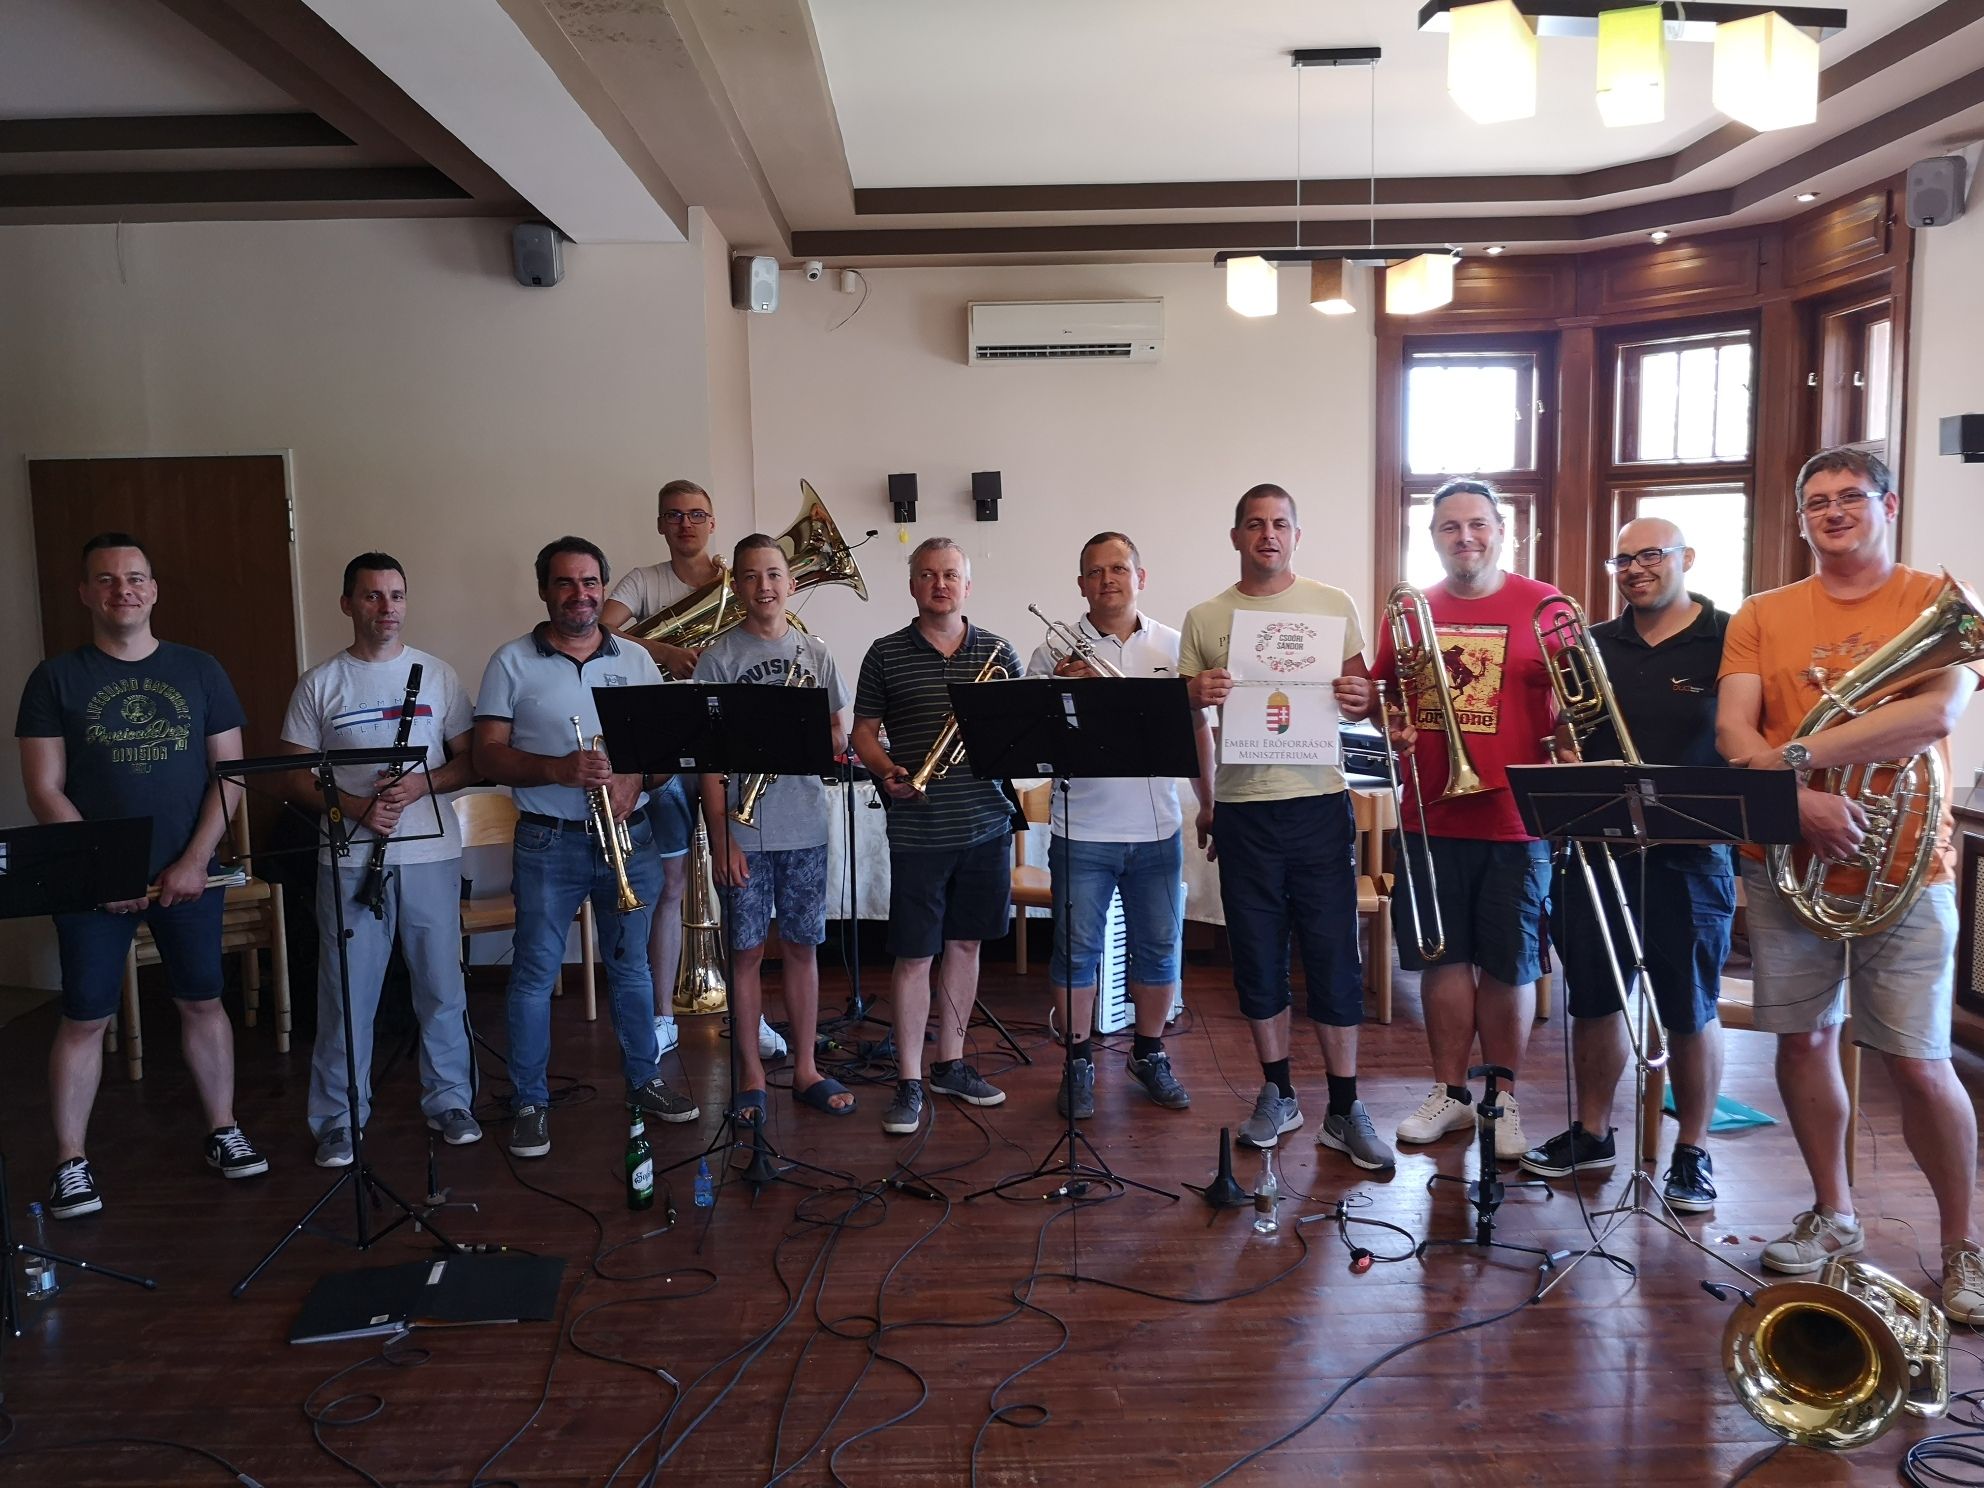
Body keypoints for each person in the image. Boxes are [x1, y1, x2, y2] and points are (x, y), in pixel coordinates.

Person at [1717, 447, 1982, 1322]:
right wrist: (1798, 806)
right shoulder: (1762, 612)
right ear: (1801, 518)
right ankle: (1834, 1213)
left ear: (1888, 505)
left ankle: (1963, 1246)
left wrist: (1794, 758)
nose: (1834, 512)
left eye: (1852, 497)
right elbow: (1733, 732)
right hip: (1787, 861)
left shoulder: (1934, 603)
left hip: (1910, 864)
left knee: (1921, 1061)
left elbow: (1936, 713)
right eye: (1817, 501)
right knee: (1803, 1042)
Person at [16, 532, 267, 1219]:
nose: (121, 589)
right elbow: (44, 789)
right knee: (85, 1017)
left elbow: (230, 776)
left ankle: (223, 1130)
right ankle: (71, 1161)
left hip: (188, 873)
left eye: (134, 578)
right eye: (105, 579)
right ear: (84, 593)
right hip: (92, 882)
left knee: (201, 1001)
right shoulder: (54, 679)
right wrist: (106, 871)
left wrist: (194, 861)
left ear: (153, 590)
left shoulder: (200, 670)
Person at [1518, 519, 1734, 1214]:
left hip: (1691, 855)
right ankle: (1592, 1133)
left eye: (1651, 555)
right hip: (1599, 850)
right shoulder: (1591, 646)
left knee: (1690, 1008)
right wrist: (1563, 751)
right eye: (1623, 559)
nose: (1636, 568)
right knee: (1595, 997)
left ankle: (1692, 1151)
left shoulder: (1729, 637)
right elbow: (1569, 735)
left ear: (1686, 558)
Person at [1179, 485, 1393, 1171]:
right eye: (1254, 524)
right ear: (1236, 536)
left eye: (1279, 524)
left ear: (1296, 535)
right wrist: (1192, 699)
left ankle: (1344, 1106)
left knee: (1333, 954)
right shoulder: (1206, 616)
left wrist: (1362, 698)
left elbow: (1363, 702)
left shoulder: (1333, 605)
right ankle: (1278, 1092)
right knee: (1257, 955)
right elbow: (1189, 723)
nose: (1267, 534)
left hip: (1318, 803)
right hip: (1242, 810)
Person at [474, 536, 699, 1159]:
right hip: (549, 838)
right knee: (534, 973)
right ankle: (529, 1102)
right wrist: (556, 770)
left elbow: (665, 755)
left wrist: (636, 776)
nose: (581, 594)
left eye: (591, 582)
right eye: (566, 583)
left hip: (631, 835)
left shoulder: (636, 659)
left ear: (603, 588)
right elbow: (486, 755)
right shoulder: (510, 661)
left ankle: (644, 1081)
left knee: (631, 968)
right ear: (544, 590)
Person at [1372, 479, 1558, 1162]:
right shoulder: (1410, 611)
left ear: (1502, 530)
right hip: (1431, 812)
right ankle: (1450, 1093)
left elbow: (1574, 706)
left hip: (1516, 817)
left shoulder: (1544, 604)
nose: (1465, 537)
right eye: (1450, 527)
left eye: (1477, 524)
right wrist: (1391, 724)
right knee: (1442, 959)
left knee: (1509, 965)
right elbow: (1387, 699)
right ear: (1433, 538)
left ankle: (1501, 1100)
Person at [278, 553, 480, 1168]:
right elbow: (293, 775)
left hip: (430, 854)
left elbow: (471, 761)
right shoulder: (320, 683)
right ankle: (339, 1118)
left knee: (441, 987)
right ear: (348, 604)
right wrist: (355, 808)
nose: (386, 607)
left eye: (396, 595)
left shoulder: (437, 675)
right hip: (347, 860)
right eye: (372, 596)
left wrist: (422, 785)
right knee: (346, 994)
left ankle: (450, 1100)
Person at [1027, 532, 1214, 1119]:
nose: (1107, 579)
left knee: (1159, 949)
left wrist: (1209, 803)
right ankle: (1078, 1060)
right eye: (1095, 571)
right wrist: (1064, 696)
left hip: (1157, 830)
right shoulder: (1052, 652)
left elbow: (1198, 731)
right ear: (1081, 584)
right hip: (1081, 829)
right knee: (1075, 953)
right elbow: (1035, 745)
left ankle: (1149, 1052)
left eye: (1118, 568)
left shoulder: (1174, 646)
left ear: (1140, 577)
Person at [599, 479, 784, 1066]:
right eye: (674, 515)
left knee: (743, 885)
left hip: (734, 750)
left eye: (697, 514)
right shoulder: (643, 581)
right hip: (669, 753)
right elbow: (602, 629)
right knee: (671, 883)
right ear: (661, 523)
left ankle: (749, 1017)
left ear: (713, 521)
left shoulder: (739, 581)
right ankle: (662, 1017)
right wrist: (664, 653)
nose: (686, 524)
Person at [852, 537, 1024, 1135]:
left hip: (984, 824)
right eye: (928, 575)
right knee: (914, 955)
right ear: (913, 586)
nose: (940, 584)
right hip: (919, 827)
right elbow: (863, 732)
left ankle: (950, 1063)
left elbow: (1016, 733)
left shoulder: (999, 651)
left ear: (967, 586)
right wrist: (886, 770)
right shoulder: (885, 652)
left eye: (951, 575)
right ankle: (908, 1080)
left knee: (966, 946)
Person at [693, 534, 856, 1122]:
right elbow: (708, 758)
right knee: (745, 953)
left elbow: (838, 733)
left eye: (774, 574)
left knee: (802, 947)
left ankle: (806, 1067)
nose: (764, 585)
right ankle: (752, 1073)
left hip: (804, 824)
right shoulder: (719, 659)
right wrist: (721, 837)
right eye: (751, 575)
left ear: (791, 582)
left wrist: (803, 732)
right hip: (745, 832)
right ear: (737, 586)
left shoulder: (816, 652)